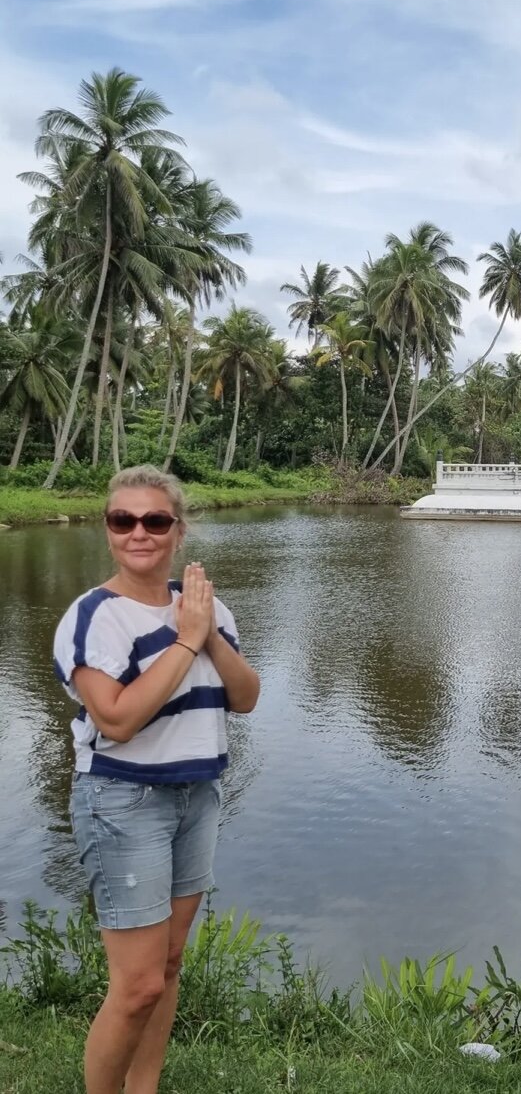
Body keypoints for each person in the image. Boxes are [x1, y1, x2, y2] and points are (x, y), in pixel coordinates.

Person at [53, 465, 260, 1094]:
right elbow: (117, 720)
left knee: (168, 964)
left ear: (178, 530)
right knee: (137, 983)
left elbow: (245, 697)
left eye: (155, 520)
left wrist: (206, 634)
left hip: (197, 795)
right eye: (124, 520)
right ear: (108, 529)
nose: (138, 532)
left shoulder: (203, 608)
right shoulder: (94, 617)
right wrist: (184, 643)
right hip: (123, 798)